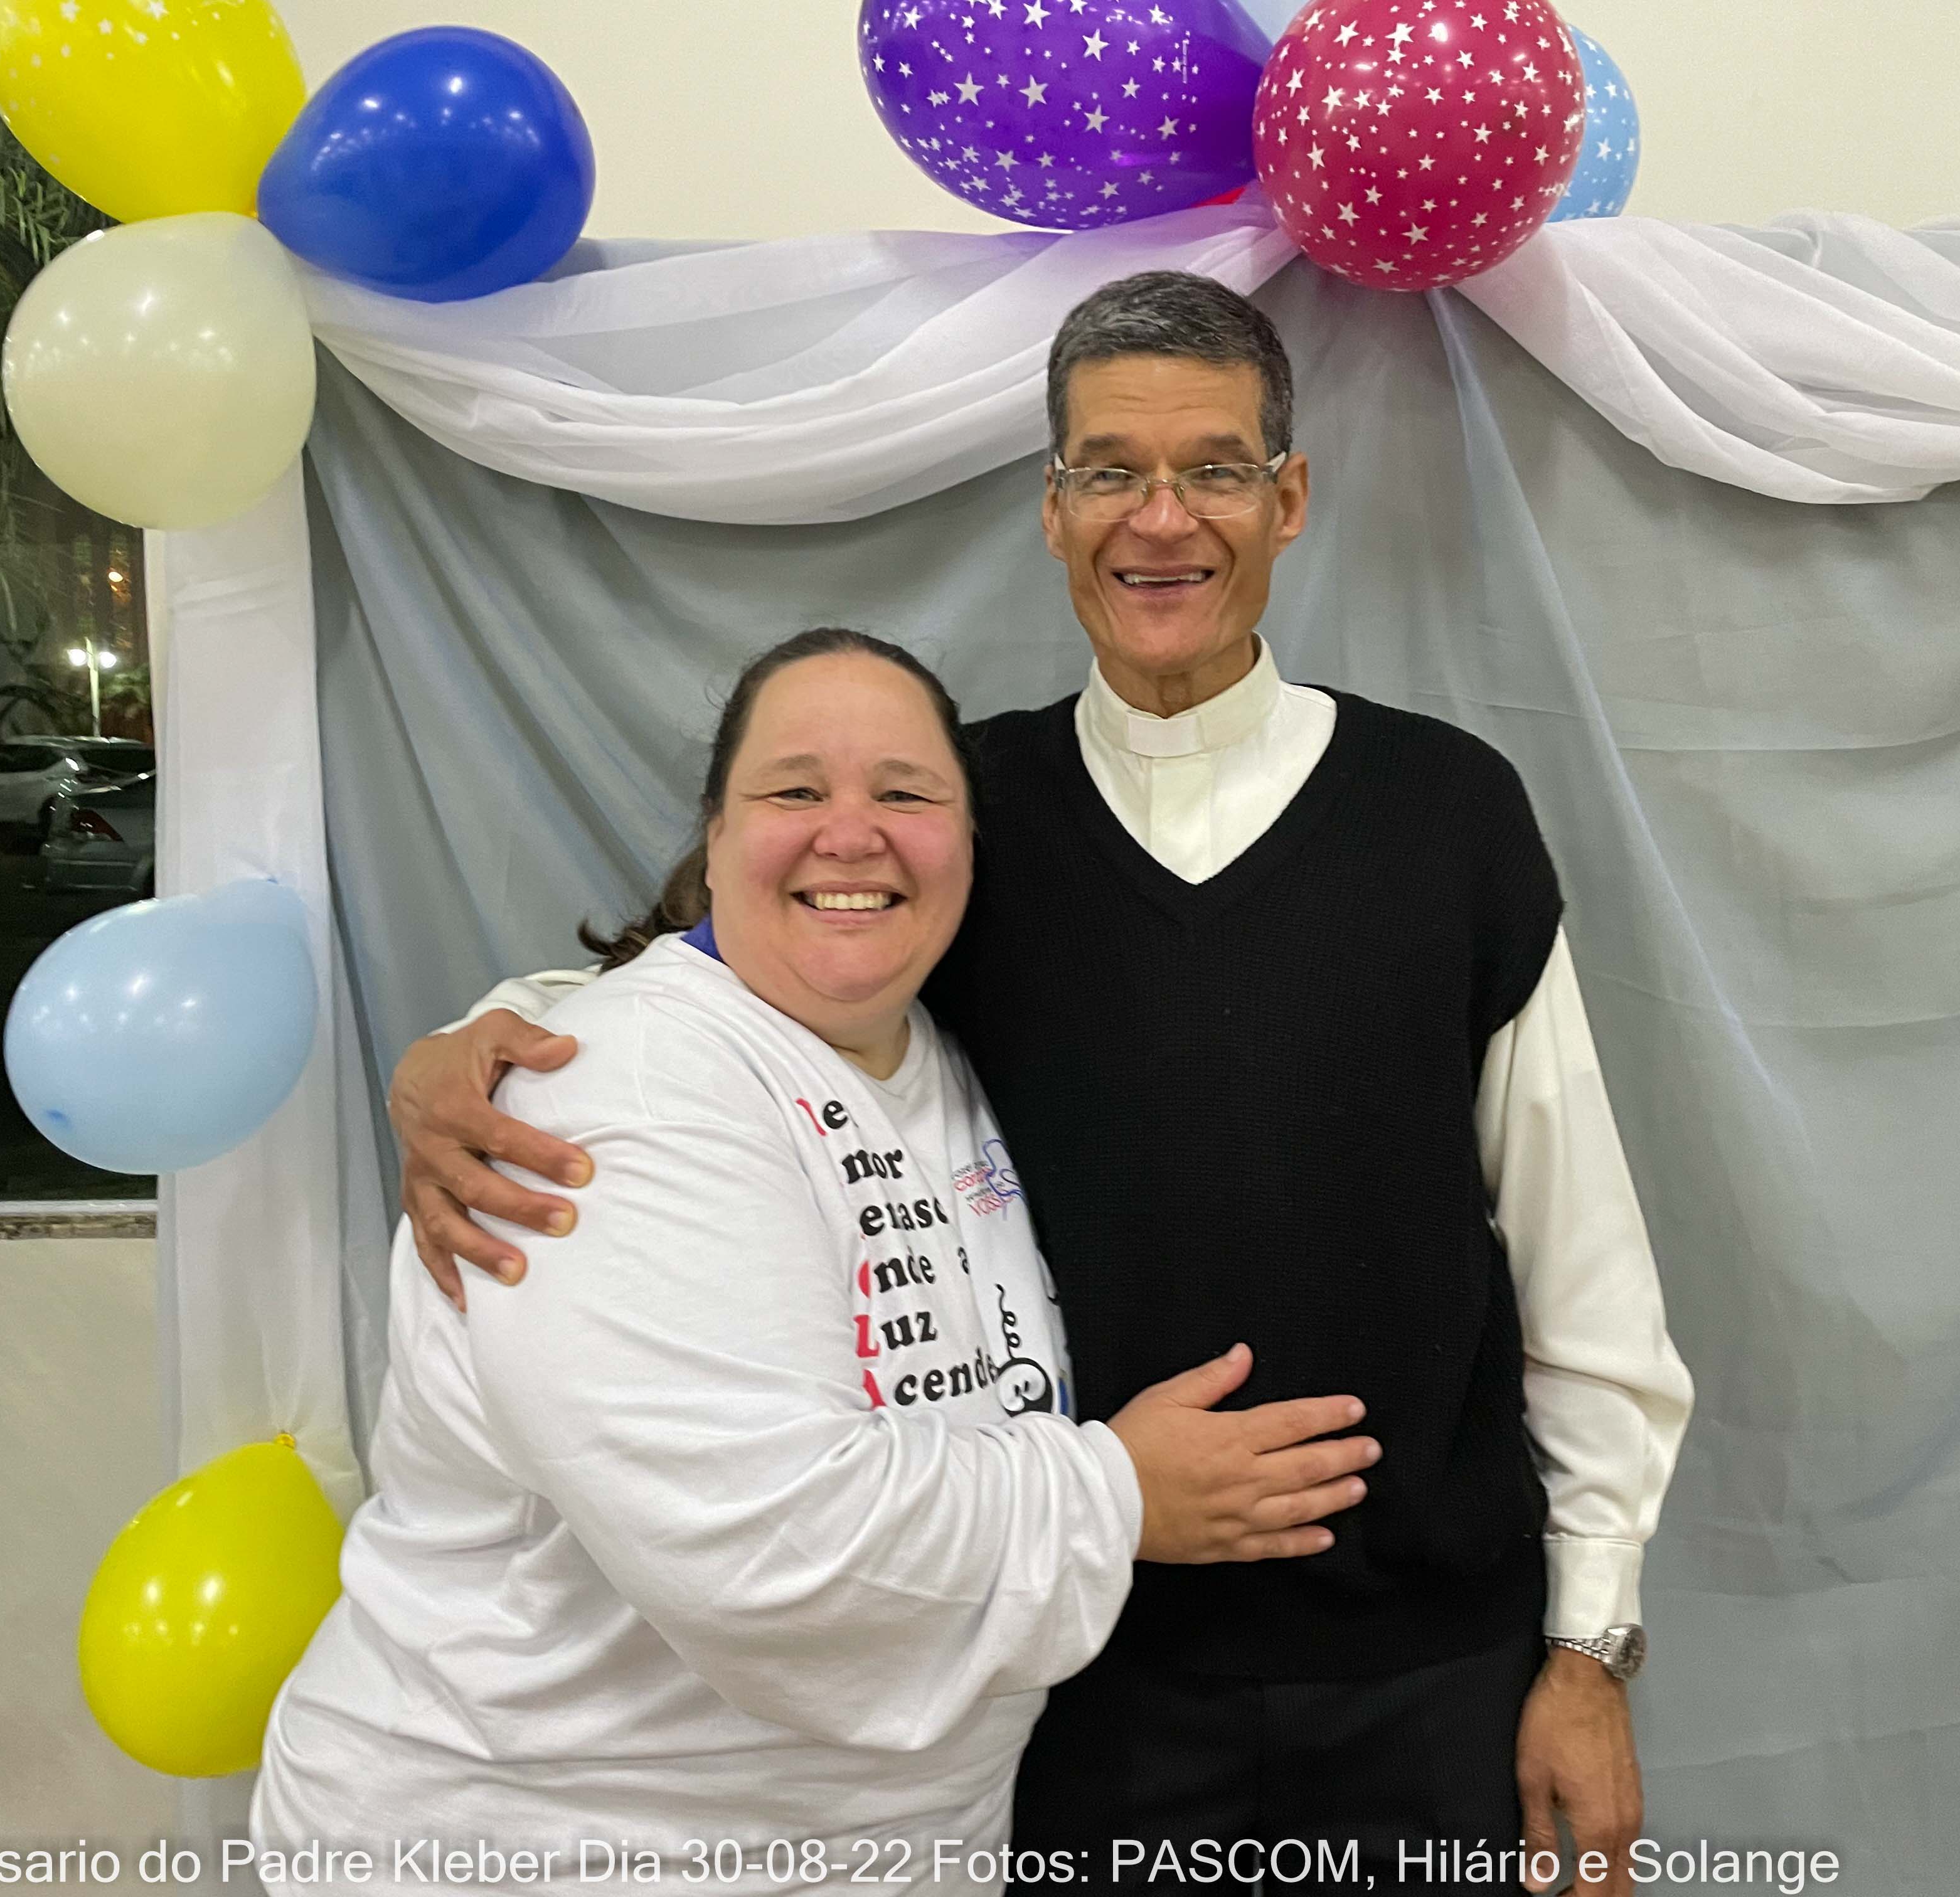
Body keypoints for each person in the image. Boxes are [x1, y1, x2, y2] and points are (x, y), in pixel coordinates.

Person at [395, 275, 1696, 1893]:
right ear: (1052, 509)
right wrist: (478, 1041)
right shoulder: (962, 816)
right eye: (1110, 472)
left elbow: (1582, 1264)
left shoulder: (1449, 811)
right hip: (1081, 1679)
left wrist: (1589, 1645)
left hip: (1432, 1672)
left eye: (1215, 470)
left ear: (1289, 499)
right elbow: (723, 972)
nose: (1163, 519)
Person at [252, 630, 1382, 1894]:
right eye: (796, 790)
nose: (852, 834)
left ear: (970, 847)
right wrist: (1120, 1494)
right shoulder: (609, 1098)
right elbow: (768, 1549)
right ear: (717, 836)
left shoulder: (931, 1055)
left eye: (906, 793)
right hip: (537, 1845)